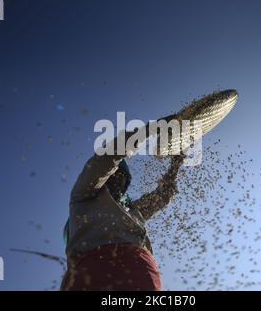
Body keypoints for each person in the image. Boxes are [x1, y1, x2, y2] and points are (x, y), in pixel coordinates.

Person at [60, 124, 185, 291]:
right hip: (92, 268)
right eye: (114, 175)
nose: (118, 181)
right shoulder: (83, 197)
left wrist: (175, 164)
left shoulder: (132, 210)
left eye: (122, 178)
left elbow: (162, 195)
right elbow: (108, 157)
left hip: (140, 268)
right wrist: (153, 128)